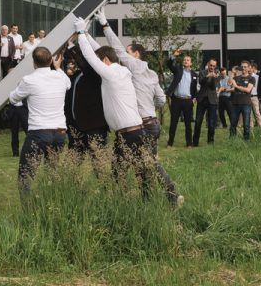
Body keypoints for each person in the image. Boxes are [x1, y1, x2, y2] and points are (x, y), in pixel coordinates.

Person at [75, 17, 182, 206]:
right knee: (127, 170)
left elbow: (93, 58)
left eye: (102, 62)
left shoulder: (113, 73)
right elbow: (101, 52)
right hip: (128, 133)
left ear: (106, 61)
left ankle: (170, 195)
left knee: (146, 167)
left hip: (132, 133)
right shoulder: (121, 71)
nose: (98, 66)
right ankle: (131, 202)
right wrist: (87, 35)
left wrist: (81, 34)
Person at [95, 9, 166, 154]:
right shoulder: (152, 73)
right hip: (153, 122)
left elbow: (117, 49)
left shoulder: (134, 66)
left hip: (141, 125)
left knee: (135, 163)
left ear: (136, 54)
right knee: (149, 164)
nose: (125, 56)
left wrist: (105, 25)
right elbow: (161, 99)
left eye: (129, 53)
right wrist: (150, 109)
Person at [10, 46, 70, 194]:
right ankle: (54, 202)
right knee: (53, 172)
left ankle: (28, 212)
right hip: (60, 133)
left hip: (39, 133)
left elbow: (13, 98)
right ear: (50, 60)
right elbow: (68, 84)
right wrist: (58, 68)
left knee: (26, 175)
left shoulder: (29, 80)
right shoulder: (61, 77)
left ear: (33, 63)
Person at [166, 51, 198, 147]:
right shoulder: (178, 70)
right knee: (173, 122)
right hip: (177, 100)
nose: (186, 61)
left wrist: (194, 98)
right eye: (184, 60)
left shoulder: (194, 74)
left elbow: (194, 88)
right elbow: (169, 64)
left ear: (191, 63)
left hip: (188, 101)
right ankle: (170, 143)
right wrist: (173, 56)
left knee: (188, 124)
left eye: (188, 60)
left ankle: (189, 143)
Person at [193, 58, 220, 146]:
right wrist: (208, 76)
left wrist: (213, 77)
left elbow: (213, 86)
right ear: (208, 64)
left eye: (214, 66)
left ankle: (210, 142)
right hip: (202, 99)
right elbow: (201, 82)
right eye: (211, 65)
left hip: (212, 100)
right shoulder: (202, 72)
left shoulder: (217, 73)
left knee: (211, 123)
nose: (212, 67)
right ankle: (195, 142)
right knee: (198, 121)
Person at [230, 61, 254, 141]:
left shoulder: (251, 78)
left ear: (248, 68)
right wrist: (232, 73)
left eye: (245, 67)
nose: (243, 68)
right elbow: (230, 83)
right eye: (242, 66)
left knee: (246, 124)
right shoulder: (237, 78)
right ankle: (232, 140)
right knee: (233, 123)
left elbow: (248, 90)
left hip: (246, 104)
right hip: (235, 103)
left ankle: (246, 140)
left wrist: (237, 86)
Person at [249, 62, 261, 128]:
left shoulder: (257, 77)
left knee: (257, 112)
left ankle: (260, 126)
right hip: (248, 96)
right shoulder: (247, 77)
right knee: (249, 113)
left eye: (250, 68)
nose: (248, 69)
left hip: (255, 97)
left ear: (253, 68)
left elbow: (259, 87)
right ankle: (251, 126)